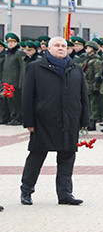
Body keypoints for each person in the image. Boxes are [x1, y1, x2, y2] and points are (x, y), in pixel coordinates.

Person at [20, 37, 89, 206]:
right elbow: (27, 96)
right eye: (57, 46)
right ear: (48, 49)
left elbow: (83, 97)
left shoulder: (76, 69)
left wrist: (84, 120)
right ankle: (26, 191)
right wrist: (29, 121)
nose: (61, 48)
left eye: (64, 46)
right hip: (43, 121)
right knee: (36, 157)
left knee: (67, 158)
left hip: (69, 120)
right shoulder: (35, 68)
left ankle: (65, 193)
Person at [1, 33, 25, 125]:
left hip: (15, 82)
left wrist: (21, 82)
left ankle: (17, 118)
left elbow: (23, 68)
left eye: (12, 42)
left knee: (16, 102)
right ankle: (11, 117)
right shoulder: (8, 53)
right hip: (6, 82)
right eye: (9, 42)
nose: (10, 44)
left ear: (16, 42)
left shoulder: (19, 53)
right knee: (8, 102)